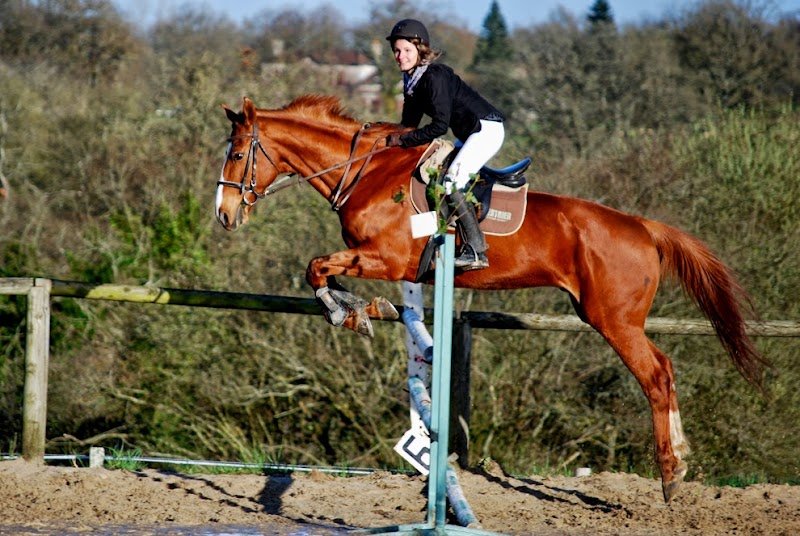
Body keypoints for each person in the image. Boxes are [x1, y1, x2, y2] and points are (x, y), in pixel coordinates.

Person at [384, 18, 505, 271]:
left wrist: (403, 139)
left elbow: (439, 127)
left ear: (421, 48)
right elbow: (408, 127)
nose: (400, 56)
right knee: (435, 180)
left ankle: (475, 250)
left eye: (406, 50)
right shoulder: (413, 82)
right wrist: (384, 142)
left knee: (451, 182)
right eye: (396, 50)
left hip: (486, 129)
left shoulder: (434, 75)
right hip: (469, 133)